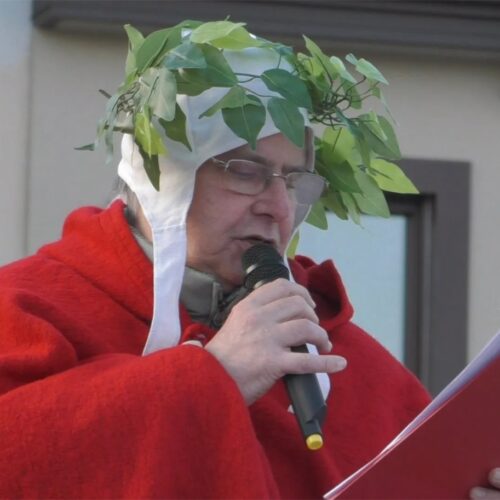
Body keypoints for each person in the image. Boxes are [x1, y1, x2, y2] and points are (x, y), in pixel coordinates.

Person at [0, 19, 498, 499]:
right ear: (162, 179)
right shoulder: (25, 308)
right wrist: (210, 377)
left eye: (293, 181)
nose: (278, 208)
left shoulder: (345, 355)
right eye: (245, 171)